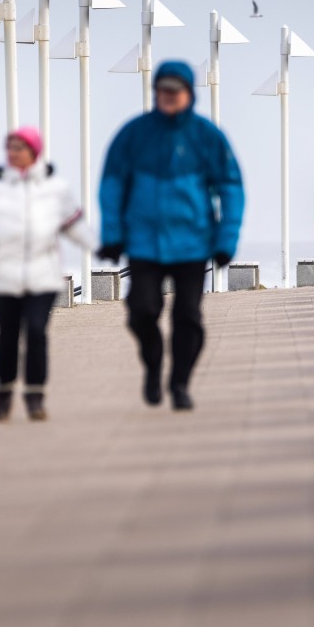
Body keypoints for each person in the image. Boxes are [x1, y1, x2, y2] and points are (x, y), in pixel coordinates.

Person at [98, 60, 245, 412]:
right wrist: (113, 234)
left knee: (188, 318)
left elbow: (231, 187)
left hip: (193, 243)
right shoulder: (134, 133)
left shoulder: (206, 135)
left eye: (174, 90)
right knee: (141, 311)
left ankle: (179, 383)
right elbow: (112, 184)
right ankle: (152, 364)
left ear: (189, 94)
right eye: (162, 89)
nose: (168, 96)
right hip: (144, 242)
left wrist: (226, 240)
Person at [0, 127, 93, 422]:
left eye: (20, 147)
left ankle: (35, 396)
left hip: (42, 277)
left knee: (36, 332)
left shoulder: (55, 188)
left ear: (34, 151)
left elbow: (75, 225)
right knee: (8, 336)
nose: (13, 152)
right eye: (9, 147)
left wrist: (102, 247)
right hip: (4, 277)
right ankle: (4, 394)